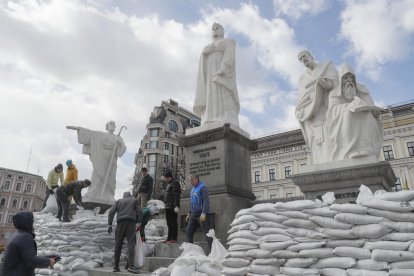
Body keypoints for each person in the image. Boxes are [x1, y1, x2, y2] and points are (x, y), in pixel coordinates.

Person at [327, 63, 383, 161]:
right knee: (347, 114)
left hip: (363, 114)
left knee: (368, 115)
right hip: (341, 119)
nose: (349, 80)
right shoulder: (334, 93)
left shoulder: (362, 89)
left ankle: (366, 148)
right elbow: (333, 110)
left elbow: (369, 104)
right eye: (346, 78)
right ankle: (350, 150)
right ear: (341, 79)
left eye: (351, 77)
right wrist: (351, 105)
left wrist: (374, 110)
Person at [66, 121, 126, 205]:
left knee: (110, 179)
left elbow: (121, 151)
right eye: (110, 124)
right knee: (96, 176)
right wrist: (79, 129)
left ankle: (108, 196)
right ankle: (93, 194)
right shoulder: (100, 135)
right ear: (107, 126)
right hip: (100, 159)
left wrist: (120, 144)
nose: (112, 125)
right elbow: (91, 134)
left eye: (114, 124)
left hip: (111, 161)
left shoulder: (119, 138)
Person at [295, 50, 339, 164]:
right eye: (300, 59)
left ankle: (333, 160)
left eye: (304, 56)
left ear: (311, 56)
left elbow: (337, 83)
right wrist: (300, 111)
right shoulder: (302, 79)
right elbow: (301, 99)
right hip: (312, 113)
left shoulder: (327, 66)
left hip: (327, 106)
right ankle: (320, 162)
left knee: (329, 136)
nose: (303, 59)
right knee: (316, 141)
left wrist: (327, 83)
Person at [193, 22, 240, 126]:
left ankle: (227, 118)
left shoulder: (228, 42)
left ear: (222, 31)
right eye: (213, 28)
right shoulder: (207, 47)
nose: (214, 29)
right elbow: (202, 62)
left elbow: (229, 55)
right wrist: (204, 54)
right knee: (210, 95)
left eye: (217, 28)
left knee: (223, 93)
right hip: (209, 74)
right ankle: (209, 118)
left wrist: (223, 69)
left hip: (221, 74)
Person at [108, 192, 141, 274]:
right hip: (131, 223)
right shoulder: (134, 201)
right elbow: (140, 211)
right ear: (130, 196)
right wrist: (139, 222)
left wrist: (110, 224)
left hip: (120, 223)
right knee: (131, 244)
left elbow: (111, 212)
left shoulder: (118, 201)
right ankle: (131, 266)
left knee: (118, 244)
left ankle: (116, 267)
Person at [186, 175, 212, 248]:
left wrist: (204, 212)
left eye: (192, 180)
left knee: (207, 233)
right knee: (188, 231)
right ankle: (190, 250)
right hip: (193, 215)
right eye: (190, 180)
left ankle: (213, 250)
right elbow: (192, 202)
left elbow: (206, 201)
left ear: (197, 179)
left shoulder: (202, 187)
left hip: (201, 215)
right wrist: (189, 213)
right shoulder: (192, 189)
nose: (191, 182)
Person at [163, 171, 181, 243]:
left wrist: (176, 205)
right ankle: (169, 238)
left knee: (173, 222)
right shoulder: (169, 184)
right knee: (169, 223)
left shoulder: (175, 183)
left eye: (166, 178)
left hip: (172, 206)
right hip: (168, 206)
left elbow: (176, 194)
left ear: (170, 177)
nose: (166, 179)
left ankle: (173, 238)